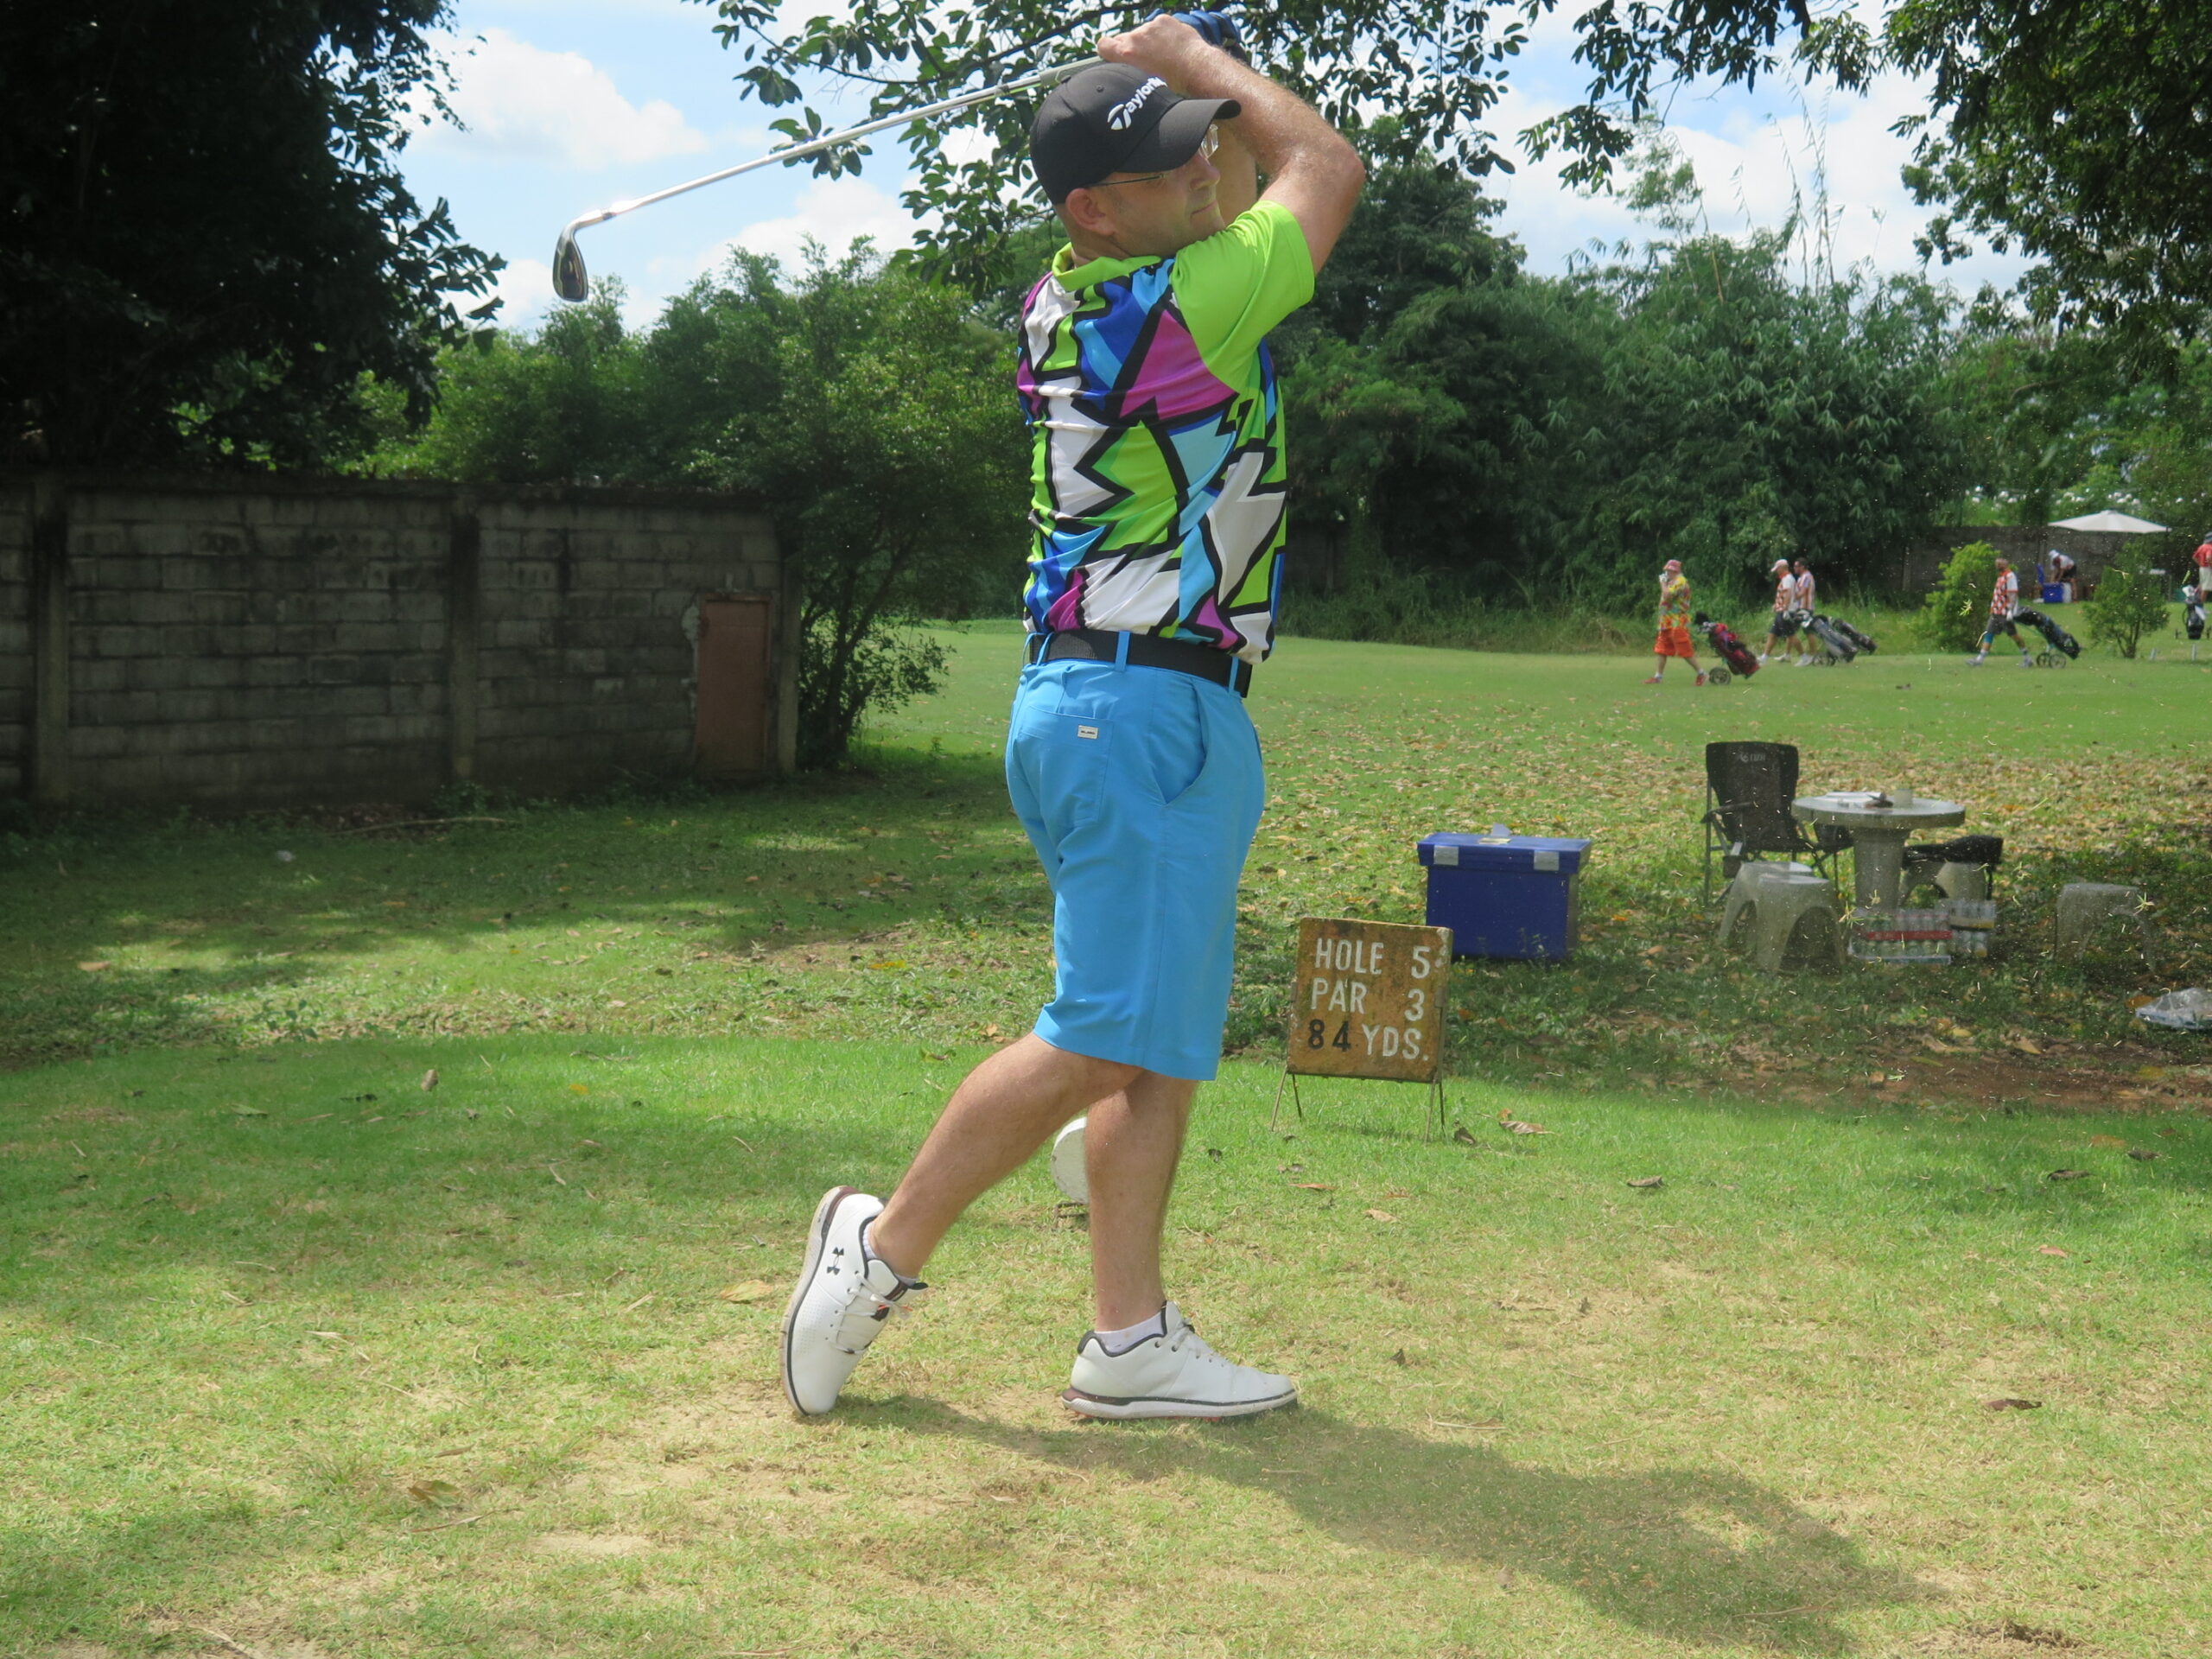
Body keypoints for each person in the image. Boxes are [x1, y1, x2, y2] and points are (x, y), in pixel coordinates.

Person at [778, 16, 1363, 1421]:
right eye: (1173, 163)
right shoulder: (1184, 304)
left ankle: (1129, 1339)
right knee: (1106, 1030)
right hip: (1130, 707)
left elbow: (1245, 170)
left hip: (1154, 702)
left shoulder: (1093, 290)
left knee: (1155, 1038)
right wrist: (1199, 59)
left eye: (1204, 149)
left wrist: (1197, 69)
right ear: (1095, 208)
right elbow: (1326, 167)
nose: (1208, 169)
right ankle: (879, 1249)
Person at [1644, 558, 1706, 684]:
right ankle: (1658, 677)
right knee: (1662, 649)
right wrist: (1665, 582)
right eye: (1666, 571)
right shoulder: (1672, 582)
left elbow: (1667, 595)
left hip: (1678, 621)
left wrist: (1662, 583)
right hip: (1666, 621)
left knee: (1684, 649)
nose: (1667, 573)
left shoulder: (1680, 582)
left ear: (1675, 571)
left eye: (1669, 571)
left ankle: (1701, 673)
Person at [1970, 556, 2032, 666]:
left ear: (2006, 564)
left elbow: (2012, 594)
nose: (1998, 564)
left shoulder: (2010, 576)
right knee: (1989, 633)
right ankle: (1979, 660)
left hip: (2004, 613)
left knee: (2013, 635)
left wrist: (2010, 610)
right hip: (1996, 612)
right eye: (1997, 563)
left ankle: (2027, 658)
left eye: (2000, 562)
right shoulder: (2001, 577)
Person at [1758, 557, 1796, 664]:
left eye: (1778, 568)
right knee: (1773, 634)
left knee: (1791, 635)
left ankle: (1804, 655)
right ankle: (1765, 657)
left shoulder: (1788, 579)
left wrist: (1785, 608)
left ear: (1783, 567)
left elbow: (1788, 594)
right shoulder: (1785, 579)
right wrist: (1777, 605)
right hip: (1781, 610)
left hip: (1785, 611)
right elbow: (1783, 594)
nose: (1777, 571)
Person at [1789, 558, 1819, 665]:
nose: (1794, 568)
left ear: (1802, 567)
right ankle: (1788, 654)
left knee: (1807, 632)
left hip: (1805, 608)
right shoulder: (1804, 577)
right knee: (1792, 631)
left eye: (1796, 566)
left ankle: (1811, 656)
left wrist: (1790, 600)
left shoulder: (1806, 577)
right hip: (1802, 608)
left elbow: (1802, 593)